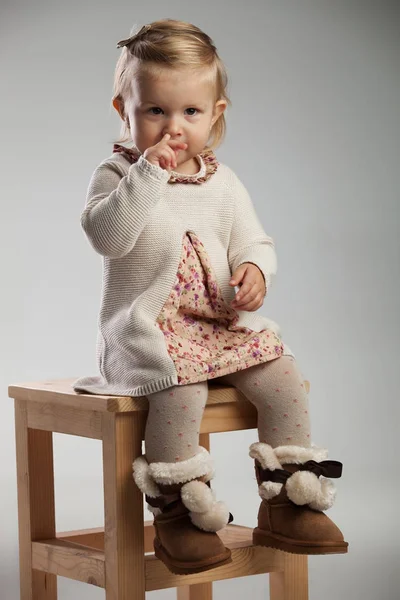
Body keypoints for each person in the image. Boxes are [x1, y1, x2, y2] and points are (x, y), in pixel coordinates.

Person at [73, 18, 348, 575]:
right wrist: (146, 177)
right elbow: (108, 237)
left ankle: (287, 500)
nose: (173, 128)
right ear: (123, 111)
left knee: (283, 377)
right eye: (155, 111)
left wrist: (254, 268)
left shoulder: (222, 181)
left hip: (217, 329)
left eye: (190, 113)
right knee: (181, 391)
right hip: (149, 333)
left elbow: (254, 237)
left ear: (215, 113)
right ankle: (178, 512)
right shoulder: (117, 174)